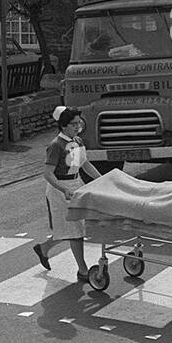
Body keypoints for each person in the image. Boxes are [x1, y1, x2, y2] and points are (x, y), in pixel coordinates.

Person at [34, 106, 102, 283]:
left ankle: (43, 248)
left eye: (79, 123)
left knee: (71, 228)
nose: (77, 127)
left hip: (76, 183)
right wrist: (64, 189)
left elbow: (85, 165)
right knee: (75, 231)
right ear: (63, 126)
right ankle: (83, 270)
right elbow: (48, 174)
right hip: (60, 189)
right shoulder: (56, 145)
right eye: (74, 124)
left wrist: (103, 179)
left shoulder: (78, 141)